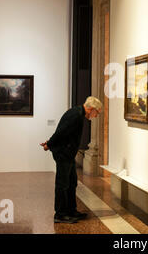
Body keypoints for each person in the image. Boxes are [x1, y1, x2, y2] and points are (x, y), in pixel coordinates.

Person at [40, 96, 102, 224]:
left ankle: (71, 210)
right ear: (91, 109)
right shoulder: (75, 115)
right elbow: (61, 132)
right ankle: (60, 214)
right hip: (63, 154)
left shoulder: (78, 114)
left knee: (72, 182)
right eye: (97, 113)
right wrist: (49, 144)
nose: (96, 116)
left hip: (68, 154)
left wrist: (49, 142)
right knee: (62, 184)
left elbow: (63, 132)